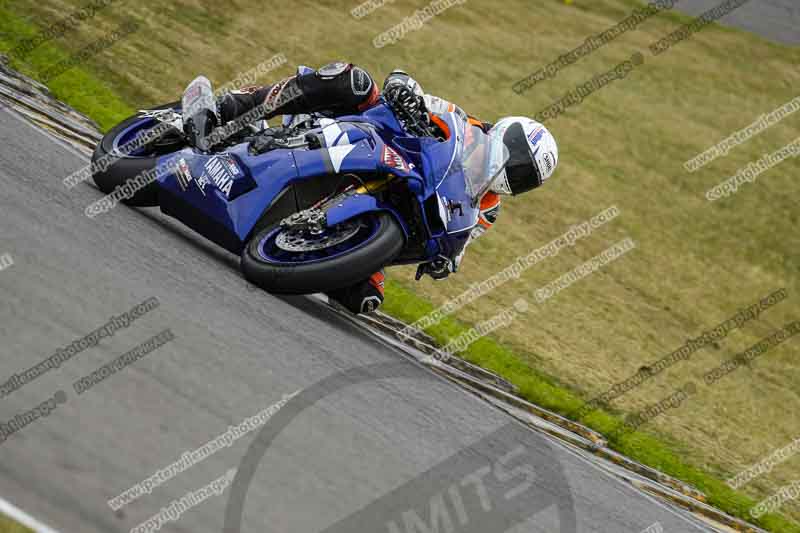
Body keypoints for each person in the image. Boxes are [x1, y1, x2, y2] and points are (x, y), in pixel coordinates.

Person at [205, 62, 559, 314]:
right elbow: (408, 86)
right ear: (505, 135)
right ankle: (232, 108)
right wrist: (404, 92)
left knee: (365, 298)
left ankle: (304, 239)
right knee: (352, 80)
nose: (516, 172)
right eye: (518, 161)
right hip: (370, 135)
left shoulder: (487, 209)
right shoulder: (464, 124)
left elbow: (457, 249)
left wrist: (444, 262)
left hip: (395, 199)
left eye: (526, 176)